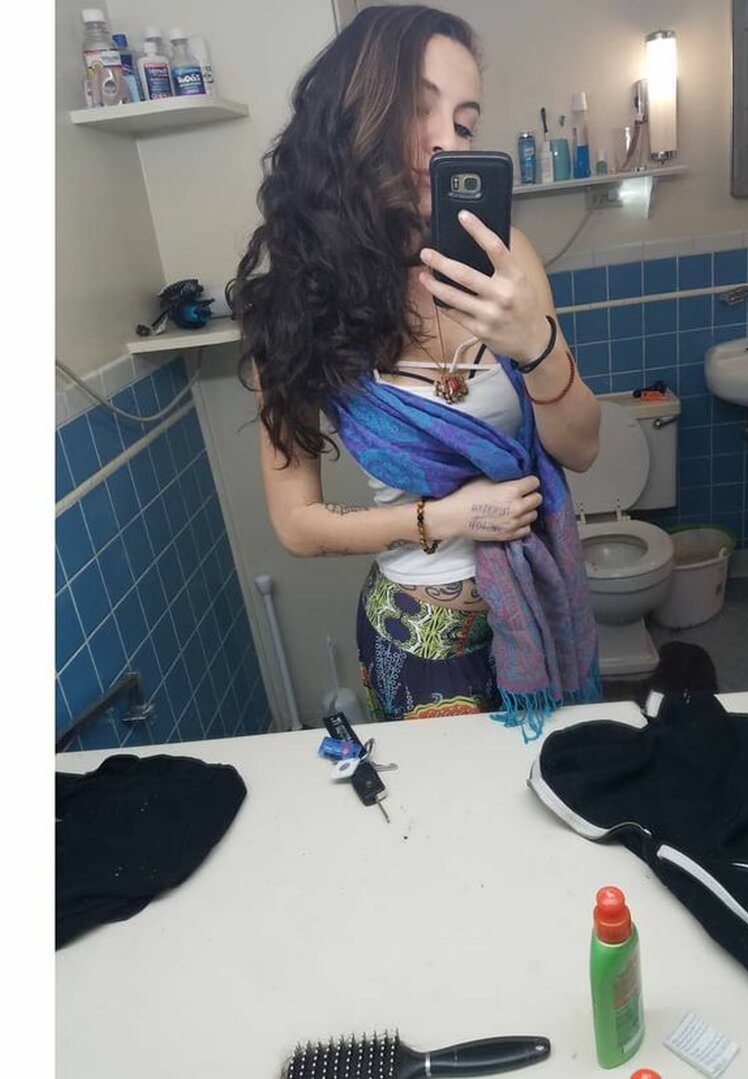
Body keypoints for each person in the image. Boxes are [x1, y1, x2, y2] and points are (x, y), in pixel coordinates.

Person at [233, 5, 602, 738]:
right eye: (418, 109)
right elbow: (296, 524)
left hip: (543, 608)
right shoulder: (297, 306)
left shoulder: (506, 257)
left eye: (464, 124)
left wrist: (534, 345)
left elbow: (584, 447)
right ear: (352, 119)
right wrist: (445, 518)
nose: (445, 143)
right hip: (419, 638)